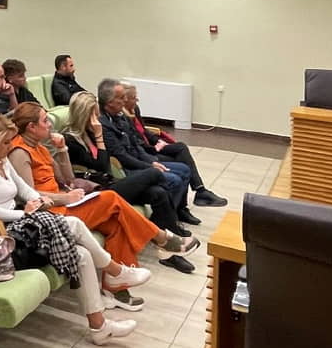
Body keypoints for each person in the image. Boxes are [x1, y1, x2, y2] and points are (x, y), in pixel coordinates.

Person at [0, 113, 145, 344]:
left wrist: (38, 200)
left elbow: (24, 189)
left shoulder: (1, 160)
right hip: (3, 237)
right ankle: (115, 271)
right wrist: (26, 213)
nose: (10, 146)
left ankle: (99, 326)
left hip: (23, 225)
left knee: (81, 255)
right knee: (75, 224)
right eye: (6, 142)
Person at [8, 103, 199, 309]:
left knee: (117, 223)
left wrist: (62, 150)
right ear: (31, 127)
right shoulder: (20, 152)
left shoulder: (40, 147)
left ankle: (115, 289)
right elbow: (30, 197)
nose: (49, 125)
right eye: (45, 121)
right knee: (110, 198)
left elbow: (67, 178)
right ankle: (162, 239)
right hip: (51, 214)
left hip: (64, 202)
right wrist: (66, 198)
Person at [63, 92, 198, 274]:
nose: (98, 119)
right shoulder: (70, 140)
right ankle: (168, 234)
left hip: (110, 182)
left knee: (158, 193)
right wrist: (99, 135)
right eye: (94, 114)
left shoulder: (91, 133)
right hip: (98, 193)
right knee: (154, 173)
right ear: (83, 115)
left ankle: (169, 252)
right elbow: (102, 165)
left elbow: (109, 163)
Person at [97, 79, 196, 226]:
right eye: (121, 98)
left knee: (185, 169)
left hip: (141, 161)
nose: (125, 100)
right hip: (129, 169)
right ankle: (164, 222)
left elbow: (136, 145)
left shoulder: (121, 116)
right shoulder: (103, 124)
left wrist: (151, 161)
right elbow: (122, 156)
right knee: (174, 179)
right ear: (109, 102)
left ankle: (177, 211)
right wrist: (149, 166)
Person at [119, 82, 227, 206]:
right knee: (181, 157)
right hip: (146, 152)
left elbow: (144, 130)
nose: (137, 100)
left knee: (181, 148)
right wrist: (153, 147)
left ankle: (195, 194)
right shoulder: (123, 117)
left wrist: (157, 141)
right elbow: (135, 142)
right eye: (133, 97)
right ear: (125, 99)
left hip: (150, 146)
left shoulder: (135, 109)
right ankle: (195, 195)